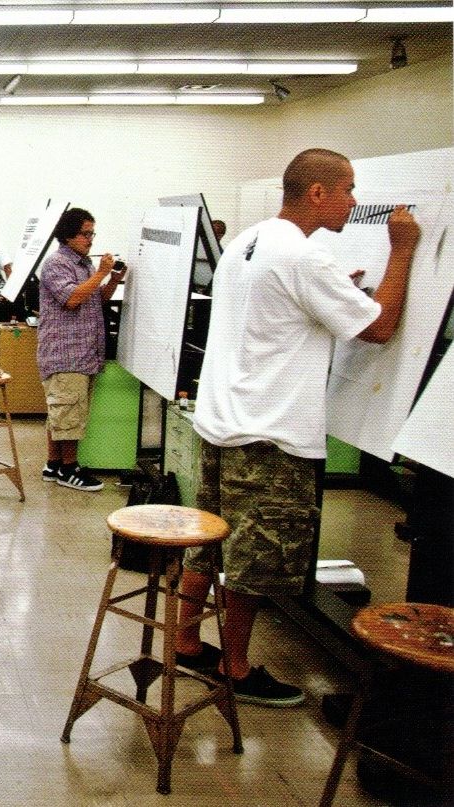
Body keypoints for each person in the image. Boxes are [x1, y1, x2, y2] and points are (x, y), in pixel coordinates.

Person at [173, 149, 419, 707]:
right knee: (254, 562)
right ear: (317, 194)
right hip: (270, 436)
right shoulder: (305, 258)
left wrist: (336, 288)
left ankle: (186, 643)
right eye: (348, 190)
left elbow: (283, 303)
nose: (354, 203)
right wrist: (400, 251)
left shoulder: (252, 240)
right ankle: (235, 669)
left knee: (211, 546)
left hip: (225, 423)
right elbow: (378, 328)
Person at [36, 208, 126, 492]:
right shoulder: (56, 264)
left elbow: (94, 299)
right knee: (68, 413)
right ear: (67, 235)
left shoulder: (84, 263)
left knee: (61, 412)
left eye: (92, 233)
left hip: (82, 352)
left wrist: (110, 279)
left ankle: (53, 463)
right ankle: (68, 469)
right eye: (85, 234)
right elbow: (72, 298)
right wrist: (100, 272)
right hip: (66, 353)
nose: (90, 239)